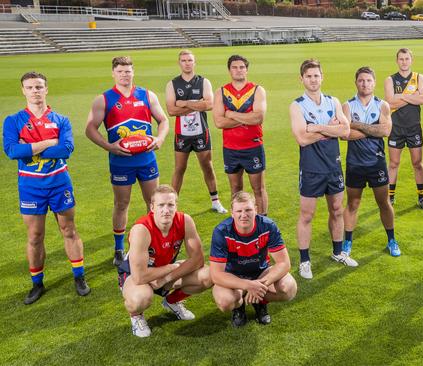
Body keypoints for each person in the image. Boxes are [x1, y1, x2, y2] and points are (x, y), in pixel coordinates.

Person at [3, 71, 91, 305]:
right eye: (30, 87)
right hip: (30, 186)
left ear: (46, 89)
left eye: (39, 87)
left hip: (59, 183)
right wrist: (49, 143)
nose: (35, 91)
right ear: (23, 90)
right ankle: (37, 283)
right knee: (34, 236)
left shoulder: (61, 120)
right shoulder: (13, 121)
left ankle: (79, 277)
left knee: (69, 230)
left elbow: (66, 149)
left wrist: (30, 147)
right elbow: (12, 151)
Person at [85, 56, 169, 266]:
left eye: (128, 71)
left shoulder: (147, 95)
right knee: (121, 204)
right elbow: (89, 129)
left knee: (153, 203)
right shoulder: (103, 99)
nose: (125, 75)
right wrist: (109, 146)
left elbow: (164, 120)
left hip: (147, 159)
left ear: (133, 72)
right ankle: (119, 247)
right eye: (120, 71)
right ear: (113, 73)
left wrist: (160, 138)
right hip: (120, 161)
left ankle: (153, 243)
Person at [289, 59, 357, 280]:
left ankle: (338, 253)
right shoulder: (297, 105)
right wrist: (332, 129)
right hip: (311, 168)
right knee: (307, 214)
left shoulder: (333, 101)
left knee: (337, 210)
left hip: (333, 165)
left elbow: (346, 131)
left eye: (316, 75)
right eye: (308, 76)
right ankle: (305, 261)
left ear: (322, 77)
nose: (313, 79)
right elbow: (301, 138)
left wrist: (318, 128)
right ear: (302, 79)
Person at [117, 185, 213, 337]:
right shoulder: (141, 229)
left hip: (165, 271)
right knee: (141, 298)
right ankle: (136, 316)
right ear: (152, 207)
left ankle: (172, 301)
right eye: (161, 205)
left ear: (176, 206)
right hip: (136, 275)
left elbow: (198, 259)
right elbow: (139, 276)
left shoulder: (185, 220)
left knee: (208, 275)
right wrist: (172, 267)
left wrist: (167, 277)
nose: (166, 210)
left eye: (170, 205)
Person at [210, 191, 297, 327]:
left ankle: (260, 302)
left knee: (289, 288)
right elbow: (216, 275)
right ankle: (238, 307)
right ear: (232, 213)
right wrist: (248, 286)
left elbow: (284, 263)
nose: (243, 215)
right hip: (234, 277)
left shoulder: (268, 226)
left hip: (261, 273)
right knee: (225, 301)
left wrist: (259, 285)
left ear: (256, 210)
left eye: (248, 210)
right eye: (239, 211)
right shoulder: (222, 231)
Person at [341, 66, 400, 257]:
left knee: (384, 203)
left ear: (374, 83)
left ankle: (391, 240)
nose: (365, 84)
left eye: (368, 80)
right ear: (356, 82)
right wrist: (371, 129)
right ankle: (347, 243)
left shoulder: (382, 105)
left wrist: (356, 125)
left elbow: (385, 131)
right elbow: (345, 134)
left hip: (376, 163)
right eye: (361, 80)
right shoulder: (347, 106)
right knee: (352, 203)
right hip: (354, 164)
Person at [165, 49, 227, 213]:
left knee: (207, 166)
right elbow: (171, 110)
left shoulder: (204, 82)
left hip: (201, 133)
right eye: (184, 60)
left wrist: (183, 103)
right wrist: (195, 103)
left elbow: (208, 105)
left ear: (195, 62)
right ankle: (172, 205)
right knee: (179, 169)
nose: (187, 63)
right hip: (182, 135)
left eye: (190, 60)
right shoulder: (172, 84)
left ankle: (215, 201)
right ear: (179, 63)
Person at [213, 55, 268, 215]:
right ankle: (239, 220)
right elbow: (219, 122)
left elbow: (258, 118)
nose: (238, 70)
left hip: (253, 147)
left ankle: (263, 221)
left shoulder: (257, 90)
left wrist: (230, 113)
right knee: (236, 189)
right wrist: (246, 118)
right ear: (229, 70)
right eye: (235, 67)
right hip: (230, 149)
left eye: (242, 67)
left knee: (258, 188)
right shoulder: (221, 92)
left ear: (247, 70)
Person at [383, 48, 423, 209]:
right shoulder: (390, 80)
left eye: (407, 59)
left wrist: (400, 96)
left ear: (411, 60)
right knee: (393, 163)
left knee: (417, 163)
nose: (404, 62)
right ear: (397, 61)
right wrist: (412, 97)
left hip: (414, 127)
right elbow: (389, 103)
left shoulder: (419, 78)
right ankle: (390, 197)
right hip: (395, 127)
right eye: (401, 59)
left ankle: (422, 198)